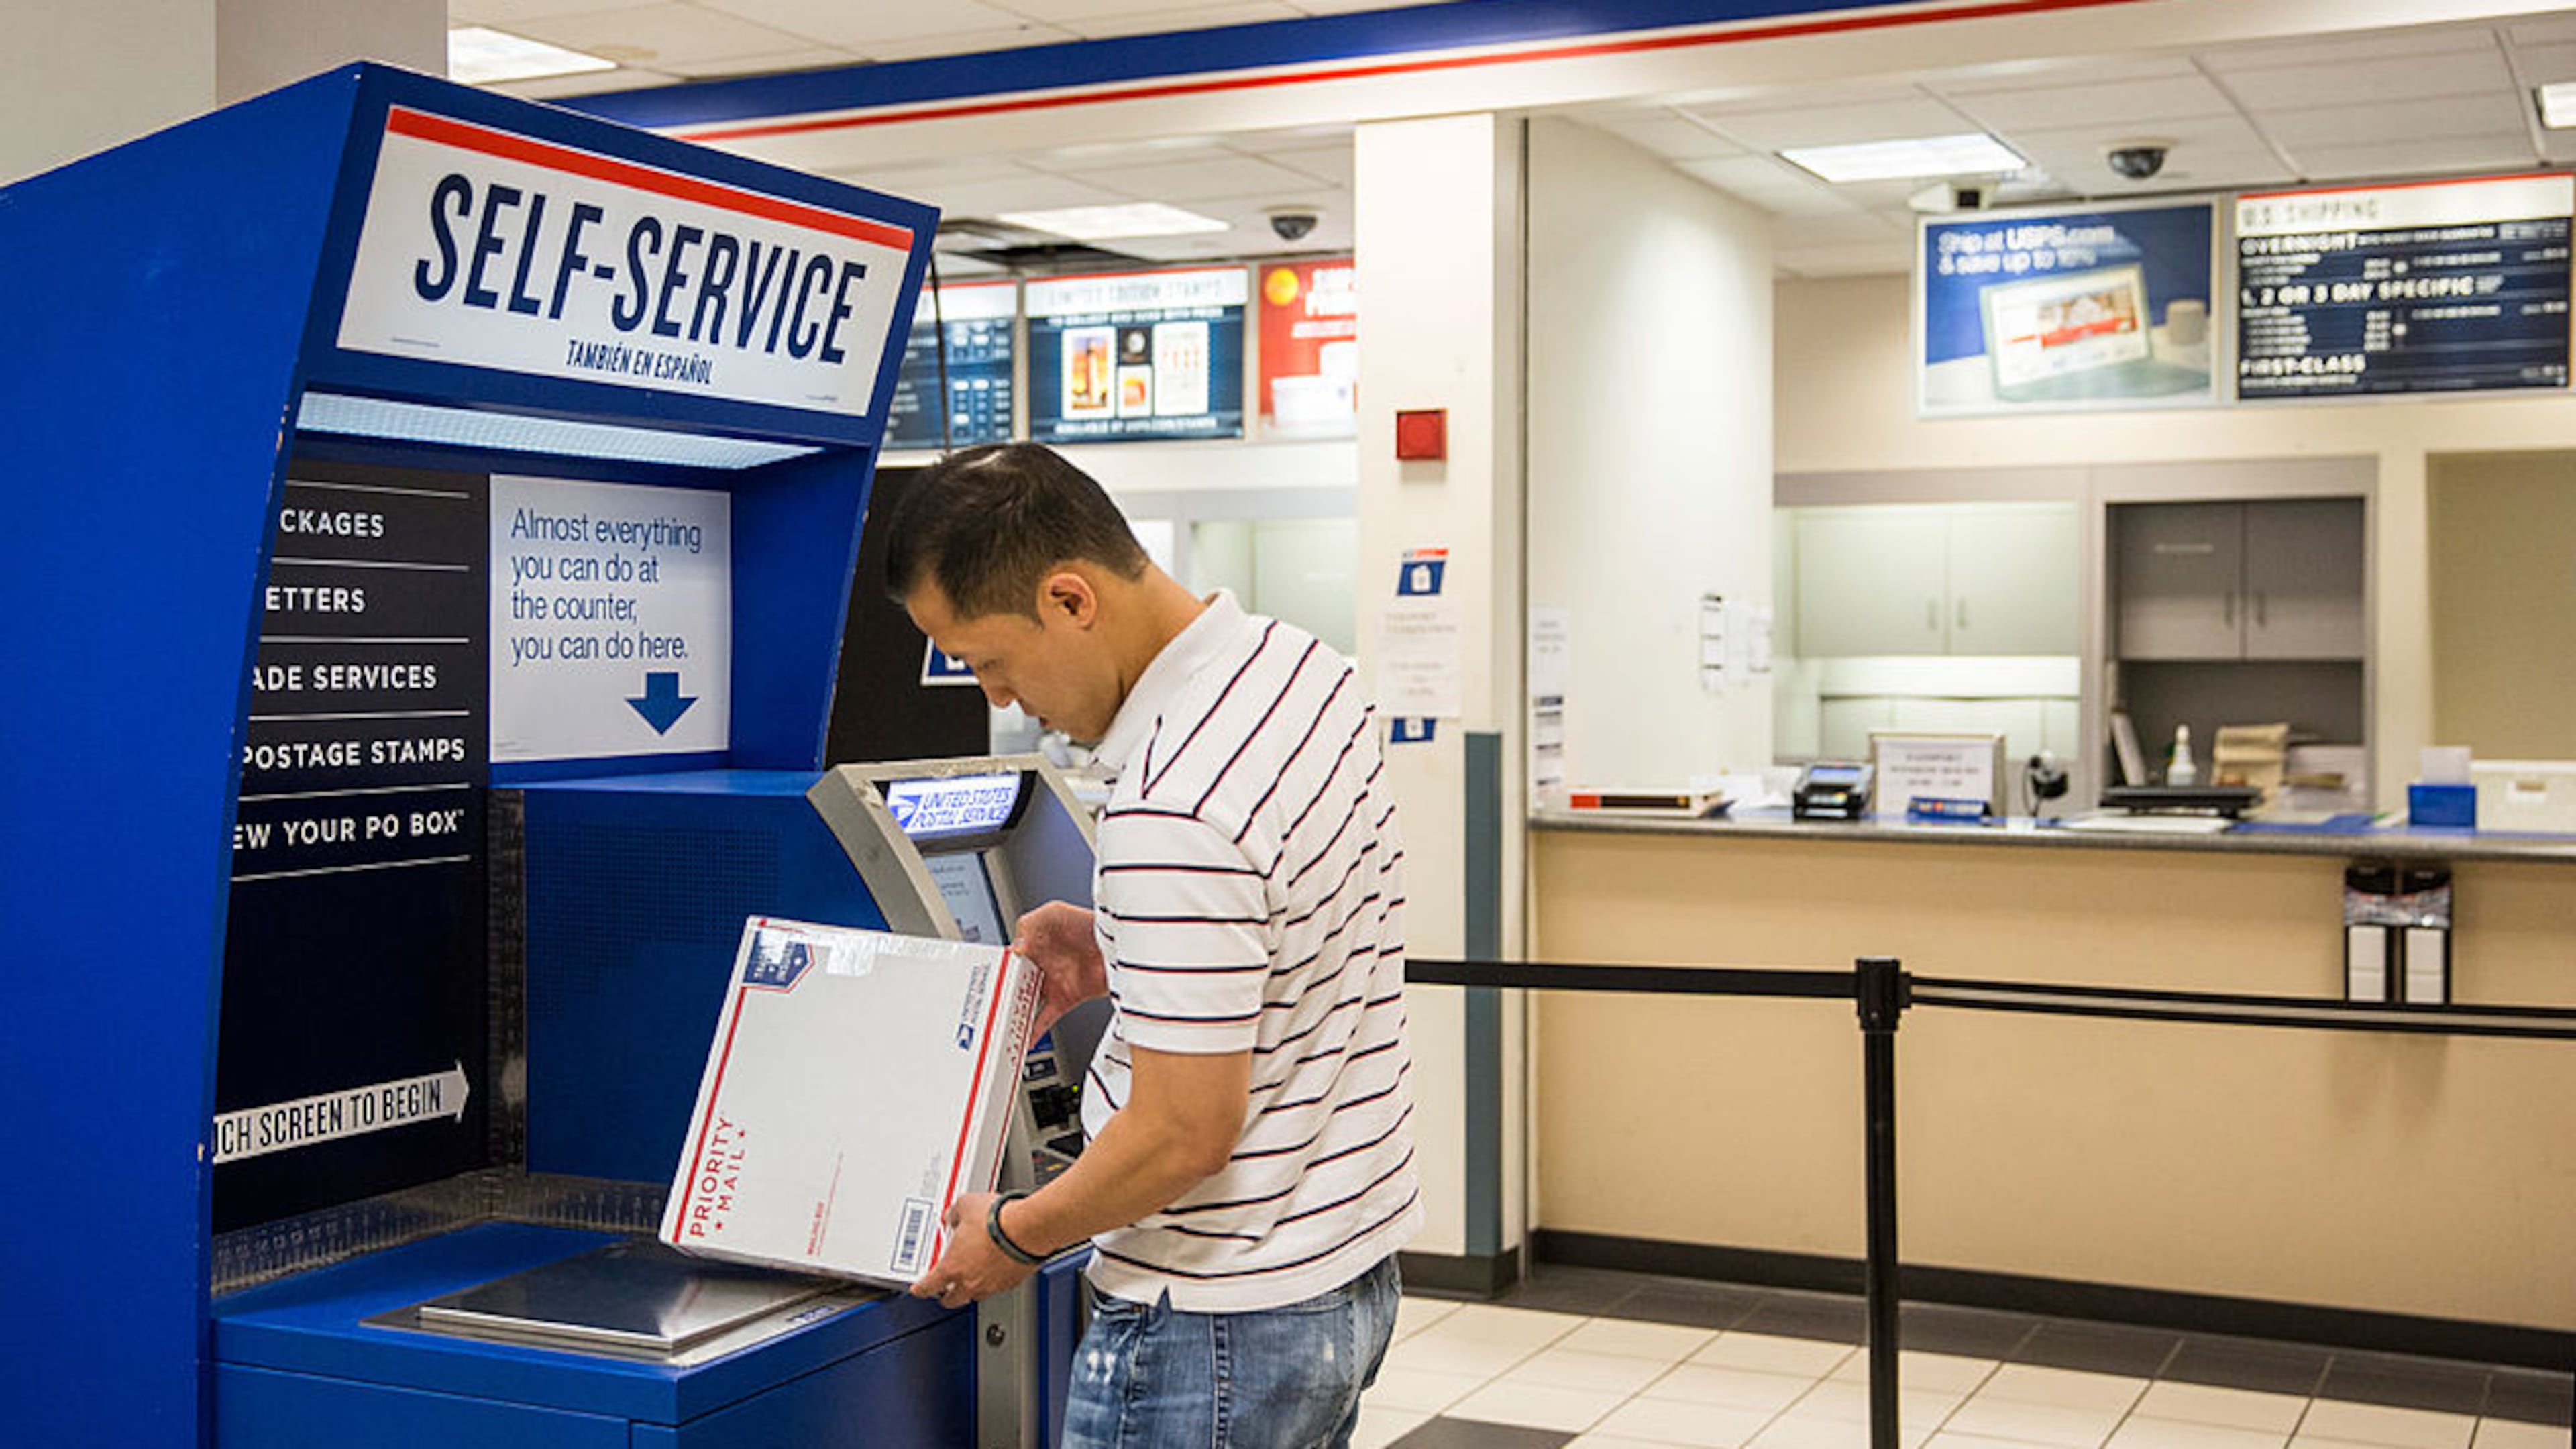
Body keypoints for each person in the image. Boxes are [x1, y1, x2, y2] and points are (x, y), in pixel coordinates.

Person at [885, 442, 1419, 1449]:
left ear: (1072, 600)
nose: (997, 698)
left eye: (988, 659)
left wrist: (1010, 1233)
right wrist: (1122, 950)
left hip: (1212, 1325)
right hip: (1342, 1271)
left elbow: (1182, 1133)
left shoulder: (1172, 794)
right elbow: (1304, 930)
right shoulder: (1301, 671)